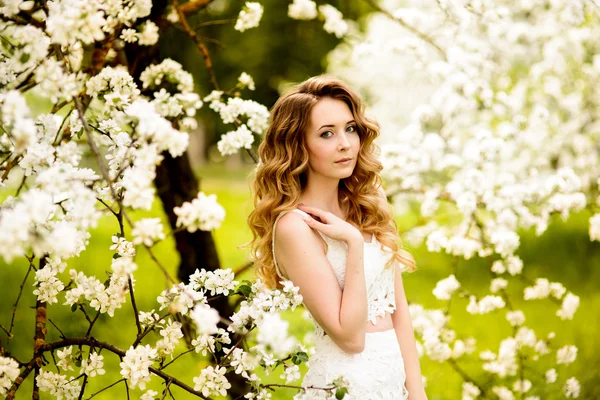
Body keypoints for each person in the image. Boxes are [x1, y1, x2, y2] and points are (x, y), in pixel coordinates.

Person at [247, 76, 427, 400]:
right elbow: (350, 337)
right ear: (297, 145)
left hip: (393, 381)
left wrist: (417, 394)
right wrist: (353, 244)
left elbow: (399, 309)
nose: (345, 143)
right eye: (327, 133)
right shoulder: (294, 228)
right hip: (347, 387)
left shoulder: (368, 202)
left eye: (350, 129)